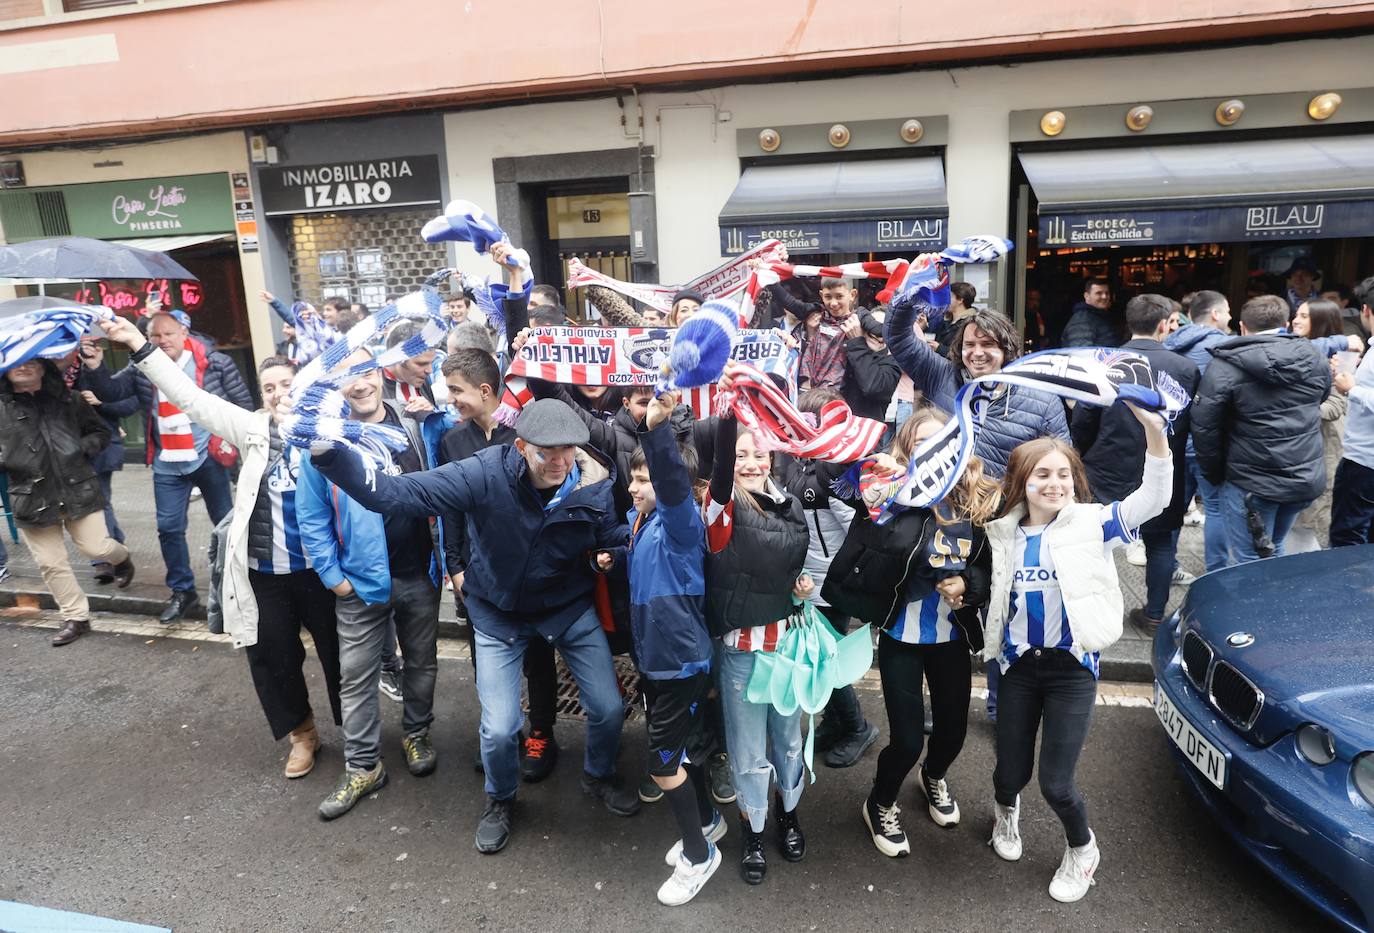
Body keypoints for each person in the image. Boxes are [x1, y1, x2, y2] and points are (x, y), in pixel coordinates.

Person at [311, 397, 640, 851]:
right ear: (521, 445)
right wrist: (328, 453)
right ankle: (501, 799)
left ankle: (599, 774)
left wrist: (613, 556)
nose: (559, 462)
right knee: (500, 727)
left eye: (568, 450)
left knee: (607, 708)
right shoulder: (482, 472)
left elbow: (612, 538)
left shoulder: (594, 483)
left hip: (567, 608)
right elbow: (394, 494)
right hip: (498, 612)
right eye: (547, 452)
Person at [100, 316, 342, 780]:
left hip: (322, 572)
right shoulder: (249, 428)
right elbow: (189, 396)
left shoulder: (326, 431)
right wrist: (137, 344)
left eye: (286, 384)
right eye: (268, 387)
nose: (276, 393)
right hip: (264, 574)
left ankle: (358, 733)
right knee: (274, 658)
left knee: (341, 657)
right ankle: (302, 734)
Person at [985, 405, 1171, 903]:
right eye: (1042, 474)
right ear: (1021, 482)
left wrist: (1156, 436)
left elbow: (1154, 499)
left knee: (1056, 784)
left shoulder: (1094, 523)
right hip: (1018, 669)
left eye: (1063, 474)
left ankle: (1083, 849)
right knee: (1009, 773)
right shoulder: (1001, 534)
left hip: (1072, 671)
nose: (1054, 483)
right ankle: (1005, 815)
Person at [822, 408, 999, 857]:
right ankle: (879, 802)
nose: (929, 451)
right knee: (904, 740)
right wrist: (885, 489)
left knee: (953, 732)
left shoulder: (975, 499)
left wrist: (969, 586)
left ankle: (933, 776)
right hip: (902, 635)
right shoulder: (888, 495)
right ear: (906, 449)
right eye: (919, 443)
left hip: (952, 637)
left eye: (938, 442)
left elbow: (989, 569)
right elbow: (860, 534)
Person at [296, 347, 444, 821]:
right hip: (358, 584)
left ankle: (416, 734)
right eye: (345, 376)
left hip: (419, 572)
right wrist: (333, 578)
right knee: (356, 676)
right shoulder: (325, 440)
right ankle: (363, 766)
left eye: (363, 372)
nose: (358, 384)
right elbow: (311, 515)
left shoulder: (415, 425)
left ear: (379, 372)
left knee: (421, 663)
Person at [603, 390, 721, 906]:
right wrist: (609, 560)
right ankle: (711, 821)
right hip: (656, 660)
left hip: (678, 663)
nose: (634, 488)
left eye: (643, 479)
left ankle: (700, 855)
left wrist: (655, 431)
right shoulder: (642, 521)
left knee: (660, 764)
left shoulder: (680, 520)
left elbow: (671, 486)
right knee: (679, 751)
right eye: (632, 478)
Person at [705, 364, 812, 885]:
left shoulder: (791, 505)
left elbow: (788, 571)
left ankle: (788, 813)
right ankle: (752, 826)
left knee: (788, 741)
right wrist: (729, 416)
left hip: (786, 647)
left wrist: (800, 591)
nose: (750, 462)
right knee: (747, 750)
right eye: (742, 454)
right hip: (742, 652)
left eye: (759, 452)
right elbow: (723, 472)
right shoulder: (720, 507)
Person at [81, 308, 253, 623]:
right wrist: (95, 365)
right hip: (168, 463)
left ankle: (235, 588)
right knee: (169, 529)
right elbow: (111, 391)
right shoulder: (141, 367)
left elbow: (243, 406)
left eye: (169, 333)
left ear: (184, 333)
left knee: (225, 527)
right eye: (155, 336)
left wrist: (239, 449)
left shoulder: (215, 362)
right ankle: (183, 592)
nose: (163, 340)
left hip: (210, 457)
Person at [1072, 294, 1199, 633]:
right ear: (1164, 324)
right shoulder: (1185, 368)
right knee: (1160, 543)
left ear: (1128, 323)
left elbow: (1084, 418)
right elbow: (1192, 421)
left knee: (1089, 538)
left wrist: (1081, 456)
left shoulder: (1107, 363)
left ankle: (1083, 610)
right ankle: (1155, 615)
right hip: (1162, 461)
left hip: (1106, 464)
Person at [0, 357, 136, 645]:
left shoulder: (70, 400)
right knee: (51, 562)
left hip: (77, 487)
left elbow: (100, 433)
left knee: (96, 547)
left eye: (31, 363)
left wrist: (79, 449)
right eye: (16, 363)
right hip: (31, 495)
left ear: (44, 368)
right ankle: (76, 616)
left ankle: (122, 559)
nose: (23, 368)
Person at [774, 389, 875, 769]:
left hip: (829, 586)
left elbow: (859, 529)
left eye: (808, 422)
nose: (799, 428)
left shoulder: (834, 468)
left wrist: (842, 580)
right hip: (809, 582)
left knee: (824, 661)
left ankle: (857, 728)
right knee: (819, 657)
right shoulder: (799, 462)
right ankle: (835, 723)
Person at [1192, 294, 1332, 564]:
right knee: (1274, 546)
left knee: (1249, 558)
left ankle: (1259, 605)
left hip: (1251, 481)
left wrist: (1214, 474)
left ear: (1243, 327)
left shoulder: (1224, 365)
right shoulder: (1314, 356)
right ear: (1286, 324)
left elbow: (1204, 427)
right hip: (1303, 474)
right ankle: (1275, 600)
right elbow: (1320, 398)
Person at [1164, 290, 1233, 571]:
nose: (1230, 316)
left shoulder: (1170, 343)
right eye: (1227, 311)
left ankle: (1167, 566)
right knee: (1215, 508)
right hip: (1210, 443)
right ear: (1215, 314)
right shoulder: (1227, 347)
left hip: (1173, 439)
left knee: (1171, 511)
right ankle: (1217, 572)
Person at [68, 338, 137, 583]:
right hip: (71, 448)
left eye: (90, 345)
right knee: (97, 501)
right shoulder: (62, 377)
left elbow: (130, 405)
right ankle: (115, 544)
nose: (85, 350)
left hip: (101, 447)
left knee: (99, 500)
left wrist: (100, 402)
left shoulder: (106, 376)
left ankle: (104, 559)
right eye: (81, 346)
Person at [1291, 299, 1355, 548]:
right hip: (1297, 445)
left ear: (1321, 321)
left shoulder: (1340, 356)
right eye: (1297, 314)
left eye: (1305, 316)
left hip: (1323, 444)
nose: (1296, 320)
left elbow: (1336, 406)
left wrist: (1293, 410)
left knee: (1309, 519)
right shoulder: (1292, 348)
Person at [1329, 277, 1374, 547]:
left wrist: (1352, 388)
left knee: (1347, 537)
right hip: (1364, 458)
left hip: (1364, 462)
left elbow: (1358, 389)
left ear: (1365, 310)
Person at [839, 309, 901, 423]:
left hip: (867, 434)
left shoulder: (892, 364)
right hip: (836, 429)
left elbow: (873, 386)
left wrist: (857, 343)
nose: (879, 334)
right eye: (872, 326)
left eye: (884, 330)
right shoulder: (845, 351)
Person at [1060, 278, 1122, 349]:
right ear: (1086, 296)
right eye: (1099, 293)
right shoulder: (1082, 321)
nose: (1104, 297)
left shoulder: (1100, 316)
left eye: (1107, 293)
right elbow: (1082, 352)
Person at [933, 281, 978, 357]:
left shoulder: (971, 323)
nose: (945, 300)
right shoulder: (946, 320)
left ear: (960, 300)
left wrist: (940, 348)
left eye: (949, 297)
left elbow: (965, 354)